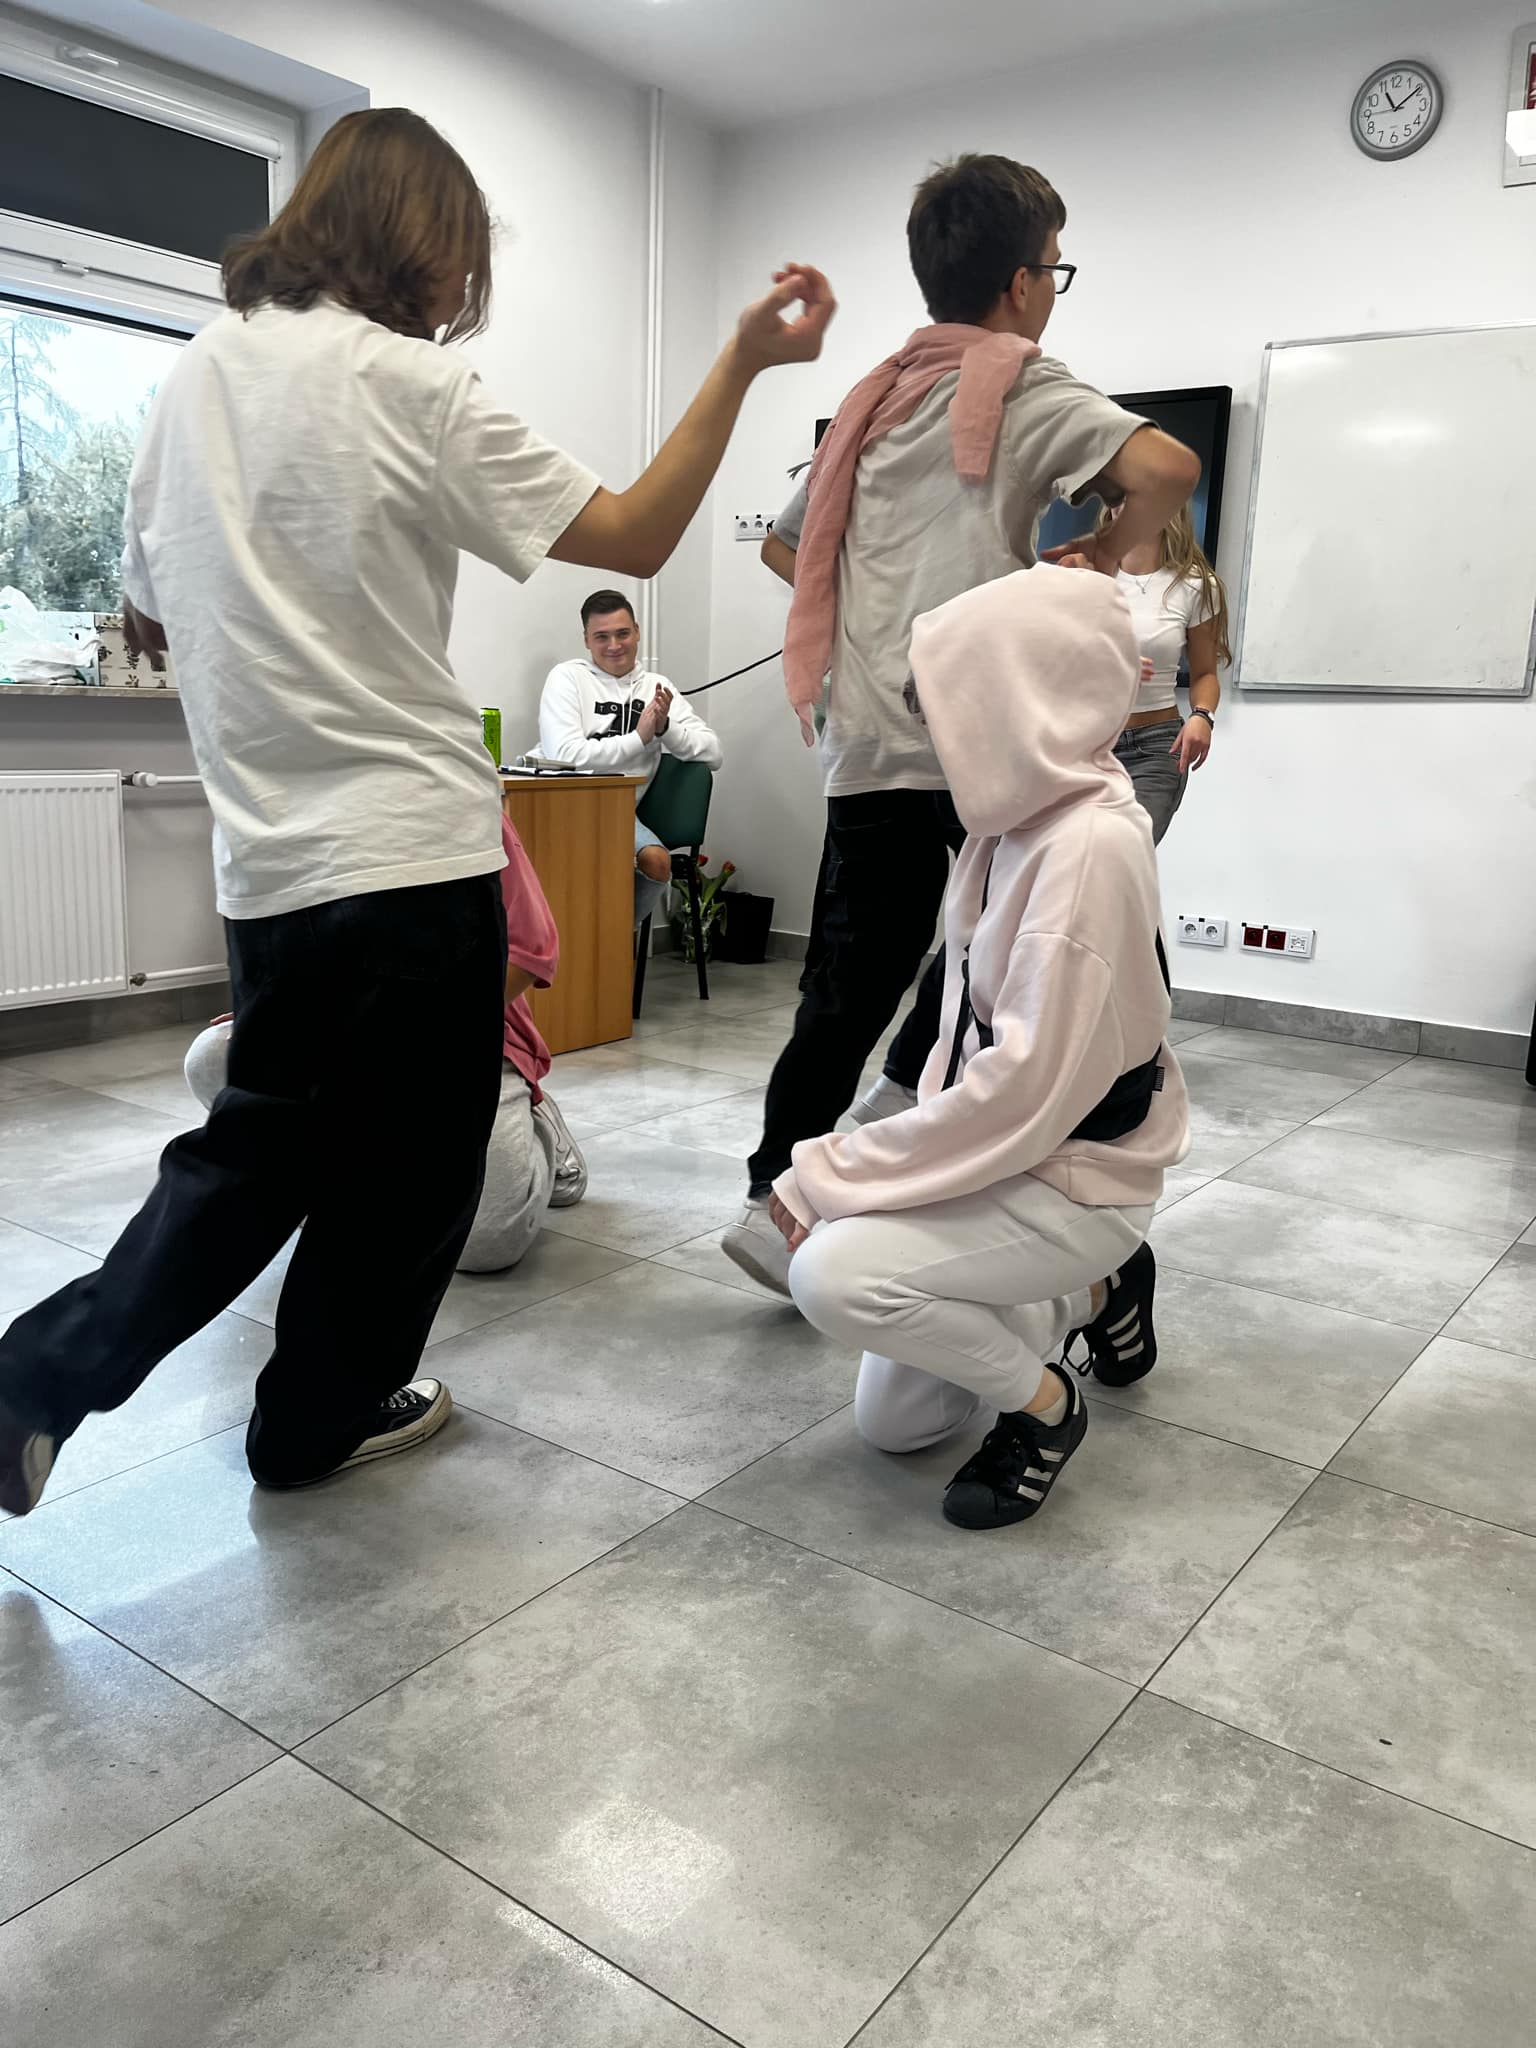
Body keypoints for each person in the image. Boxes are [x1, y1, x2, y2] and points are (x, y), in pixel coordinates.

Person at [0, 106, 833, 1517]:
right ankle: (309, 1422)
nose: (459, 298)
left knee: (257, 1154)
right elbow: (635, 532)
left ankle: (34, 1381)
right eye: (459, 263)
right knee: (405, 1177)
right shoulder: (410, 383)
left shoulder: (192, 377)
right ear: (414, 240)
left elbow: (147, 612)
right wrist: (742, 360)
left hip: (267, 866)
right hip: (409, 859)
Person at [722, 152, 1198, 1298]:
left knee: (847, 984)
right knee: (1048, 966)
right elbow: (1167, 467)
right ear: (1024, 282)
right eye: (1055, 270)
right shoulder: (1021, 384)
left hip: (868, 740)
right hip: (994, 738)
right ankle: (1030, 1194)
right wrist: (1099, 557)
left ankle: (774, 1196)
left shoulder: (871, 401)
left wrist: (870, 616)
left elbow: (787, 546)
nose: (1052, 293)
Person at [773, 564, 1190, 1530]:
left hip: (1073, 1177)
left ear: (1018, 703)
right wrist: (887, 1169)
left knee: (834, 1275)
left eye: (952, 715)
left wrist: (834, 1172)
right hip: (1017, 1155)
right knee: (899, 1424)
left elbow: (1017, 1094)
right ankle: (1094, 1293)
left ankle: (1047, 1408)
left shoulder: (1084, 853)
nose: (937, 745)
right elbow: (961, 1044)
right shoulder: (1011, 829)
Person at [183, 814, 588, 1273]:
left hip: (456, 1035)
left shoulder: (453, 806)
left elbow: (529, 952)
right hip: (337, 1036)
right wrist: (269, 1009)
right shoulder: (274, 815)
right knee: (212, 1057)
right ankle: (348, 1176)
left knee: (488, 1244)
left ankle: (539, 1128)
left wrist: (410, 1037)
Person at [537, 591, 723, 926]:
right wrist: (639, 739)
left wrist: (665, 728)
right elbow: (565, 755)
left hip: (614, 812)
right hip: (557, 803)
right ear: (586, 640)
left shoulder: (657, 687)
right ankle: (583, 944)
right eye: (601, 637)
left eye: (622, 633)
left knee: (657, 861)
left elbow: (713, 753)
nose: (614, 645)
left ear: (637, 632)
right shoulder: (567, 677)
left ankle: (613, 943)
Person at [1096, 501, 1229, 843]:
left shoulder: (1196, 586)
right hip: (1087, 744)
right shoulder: (1087, 576)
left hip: (1154, 748)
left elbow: (1205, 674)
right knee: (1074, 861)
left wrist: (1203, 716)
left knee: (1123, 853)